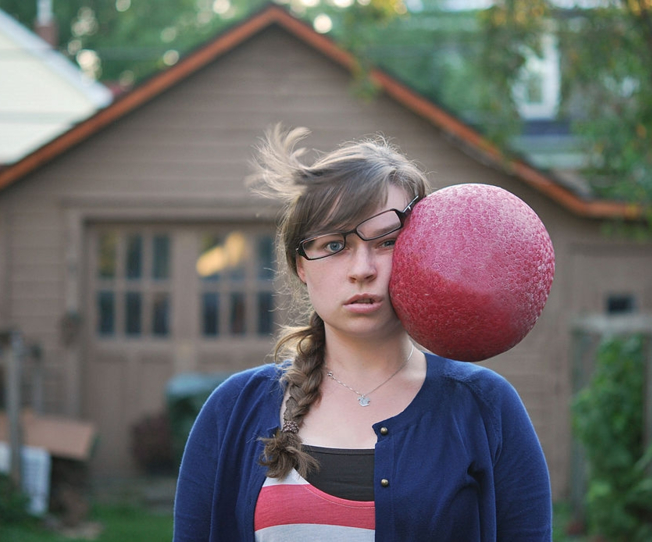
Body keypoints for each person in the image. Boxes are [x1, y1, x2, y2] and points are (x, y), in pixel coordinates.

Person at [173, 125, 552, 541]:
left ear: (425, 247)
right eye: (335, 245)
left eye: (386, 242)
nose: (362, 269)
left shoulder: (486, 408)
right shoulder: (232, 410)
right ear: (301, 266)